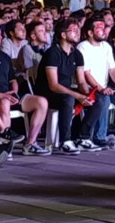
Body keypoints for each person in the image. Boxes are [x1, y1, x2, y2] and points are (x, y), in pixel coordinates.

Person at [0, 22, 50, 156]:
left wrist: (14, 90)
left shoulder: (4, 57)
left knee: (41, 102)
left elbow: (12, 80)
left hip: (9, 95)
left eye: (0, 34)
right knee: (4, 101)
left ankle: (30, 144)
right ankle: (5, 146)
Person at [34, 17, 96, 155]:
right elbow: (53, 85)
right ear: (63, 34)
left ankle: (83, 137)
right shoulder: (52, 53)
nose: (77, 33)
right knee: (68, 99)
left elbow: (81, 81)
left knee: (98, 98)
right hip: (48, 93)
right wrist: (77, 96)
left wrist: (87, 93)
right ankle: (65, 141)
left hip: (66, 91)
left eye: (78, 30)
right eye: (73, 30)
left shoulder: (77, 54)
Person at [76, 14, 115, 150]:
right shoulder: (82, 47)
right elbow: (86, 74)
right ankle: (98, 137)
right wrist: (100, 88)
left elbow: (113, 69)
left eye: (104, 28)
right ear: (90, 32)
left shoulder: (106, 46)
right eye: (100, 28)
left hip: (104, 87)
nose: (104, 31)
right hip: (87, 88)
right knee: (103, 99)